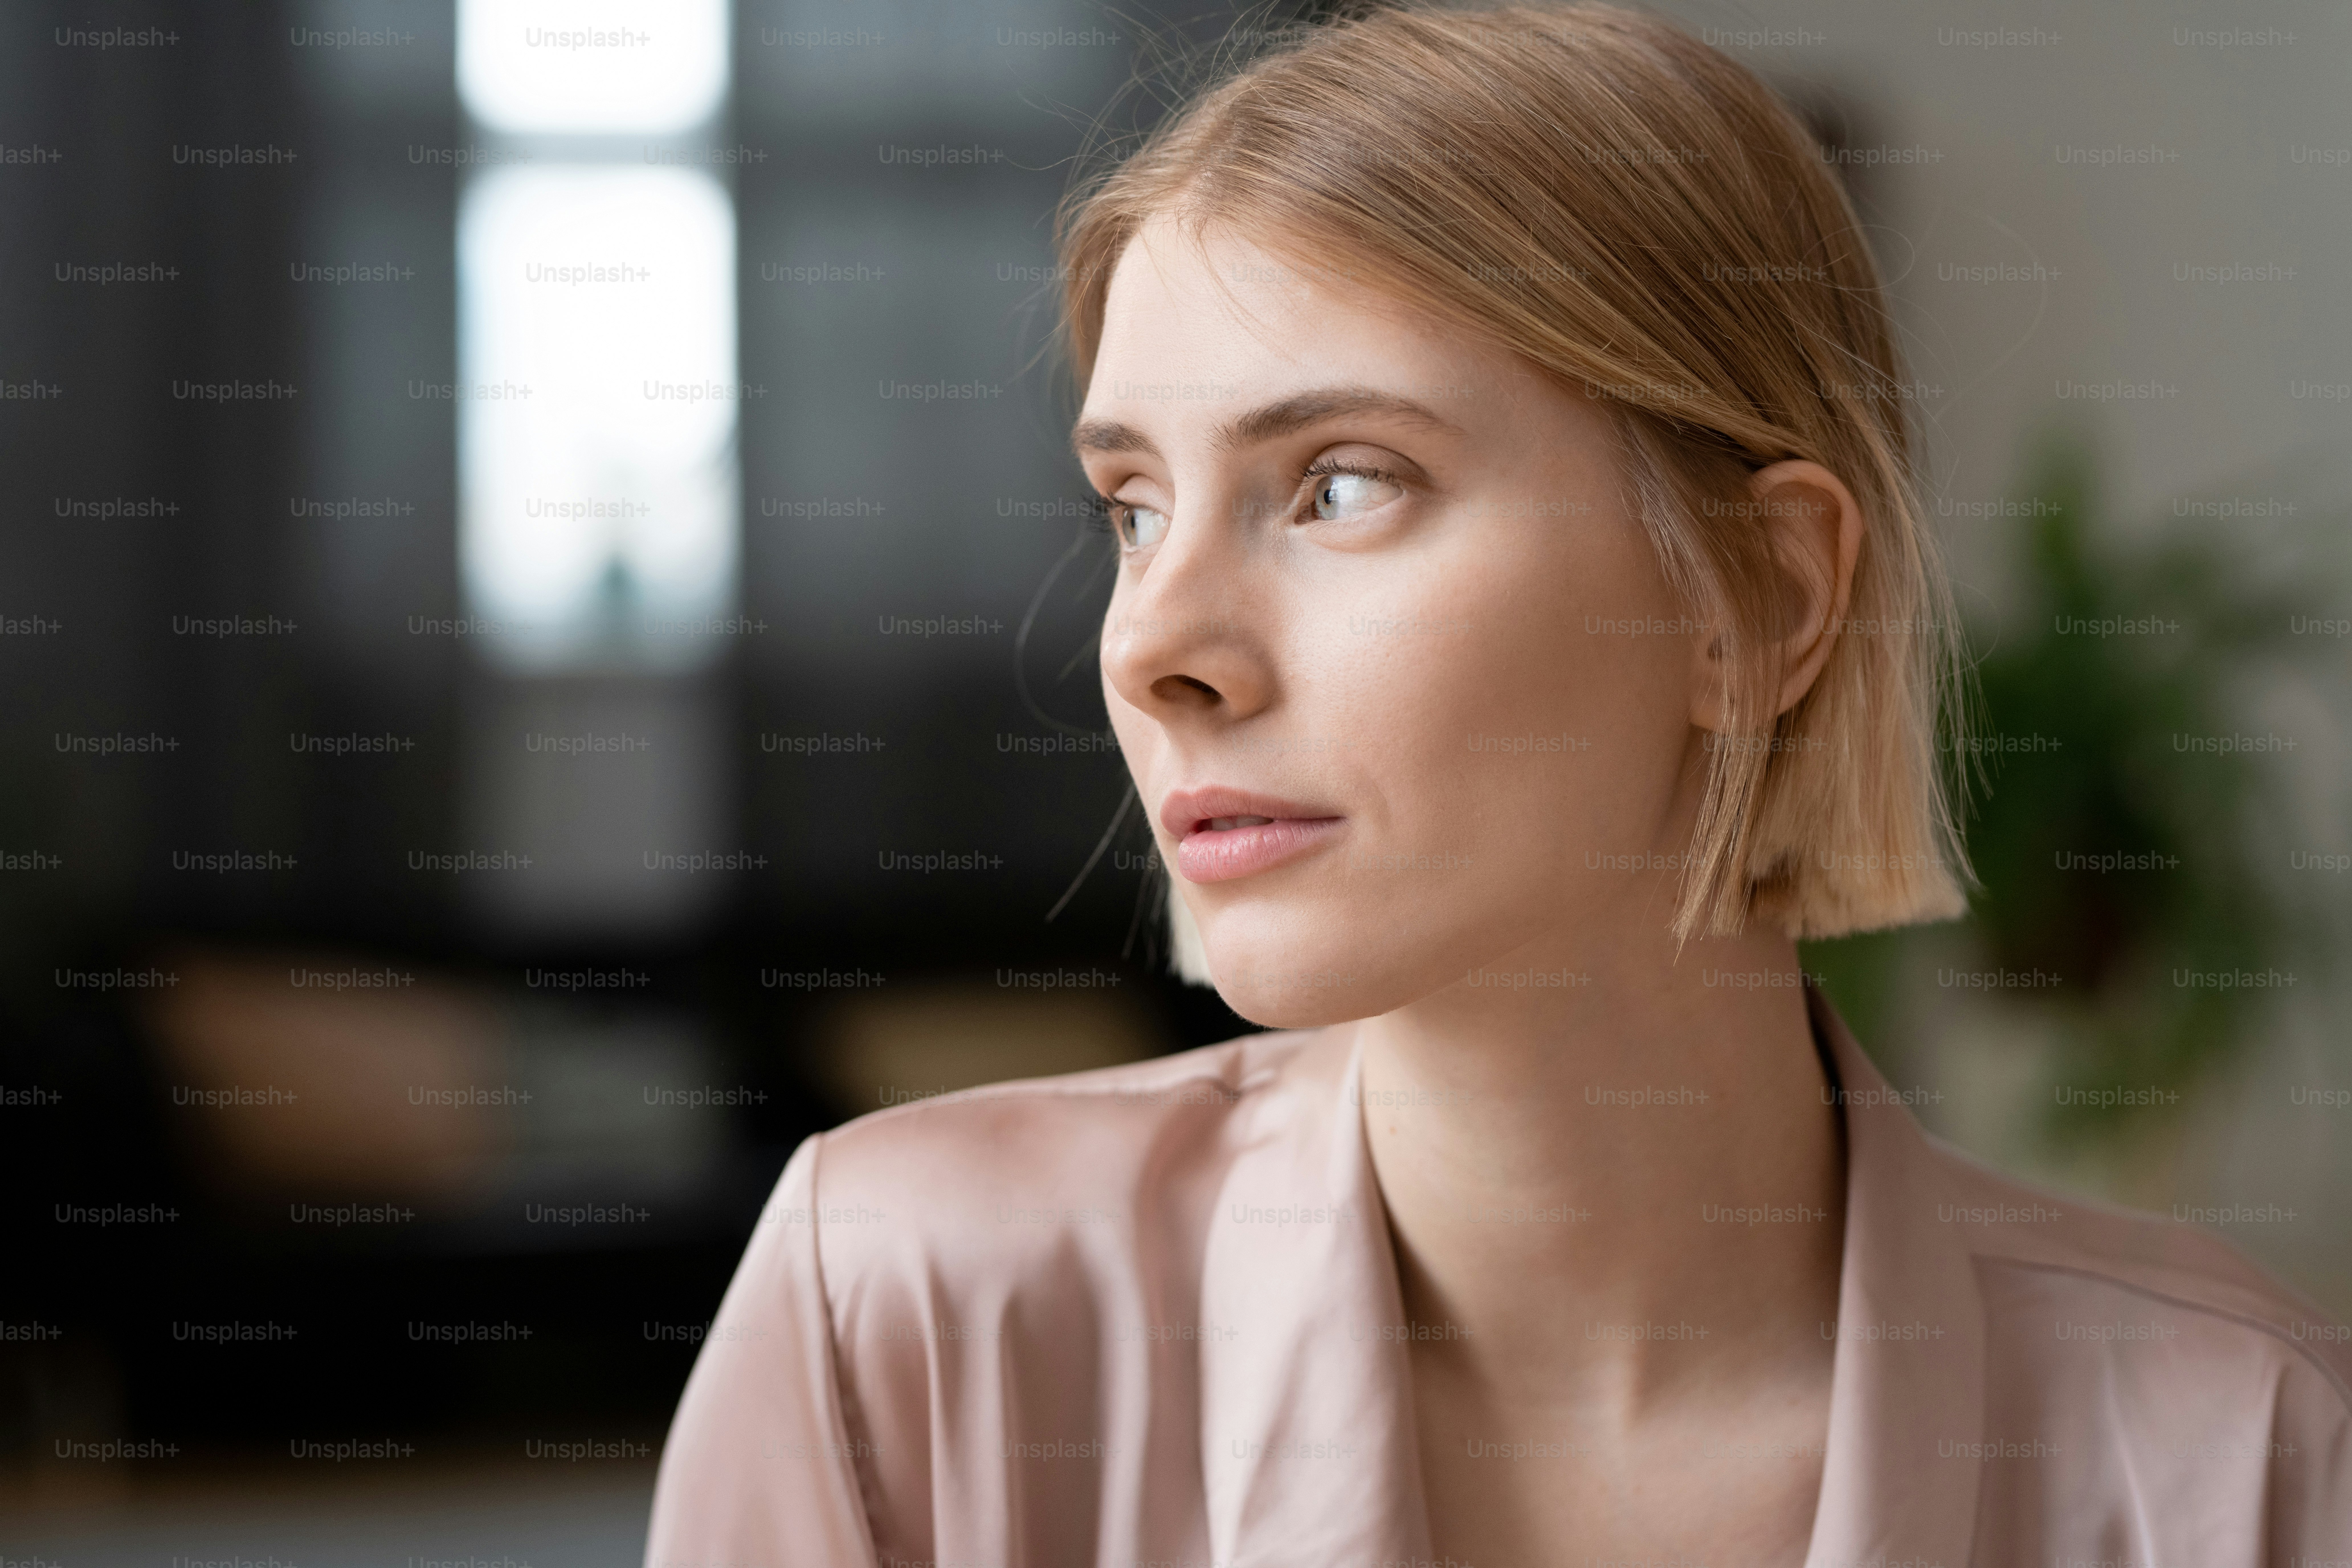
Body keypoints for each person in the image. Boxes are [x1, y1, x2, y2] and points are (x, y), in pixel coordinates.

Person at [644, 6, 2352, 1563]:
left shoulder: (2243, 1452)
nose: (1153, 645)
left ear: (1759, 596)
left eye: (1341, 485)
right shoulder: (902, 1308)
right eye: (1134, 507)